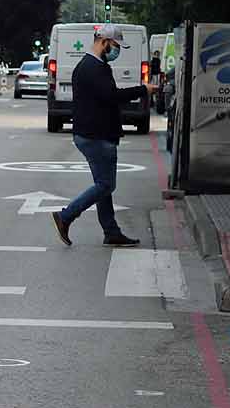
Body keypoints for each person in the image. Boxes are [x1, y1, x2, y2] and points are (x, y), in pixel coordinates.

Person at [51, 24, 156, 248]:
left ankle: (111, 231)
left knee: (103, 184)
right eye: (116, 46)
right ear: (103, 41)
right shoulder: (94, 68)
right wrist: (142, 90)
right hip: (96, 136)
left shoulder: (88, 65)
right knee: (106, 185)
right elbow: (112, 96)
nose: (117, 51)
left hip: (89, 133)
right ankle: (66, 216)